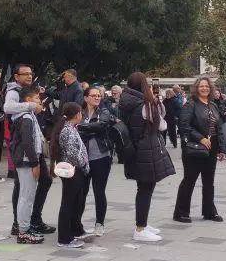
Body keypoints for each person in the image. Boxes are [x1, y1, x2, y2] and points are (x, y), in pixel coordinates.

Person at [118, 72, 175, 242]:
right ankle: (140, 229)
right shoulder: (144, 104)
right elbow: (162, 125)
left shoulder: (126, 101)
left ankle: (142, 223)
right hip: (146, 149)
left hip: (134, 149)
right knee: (146, 189)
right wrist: (155, 103)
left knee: (143, 188)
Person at [5, 65, 55, 236]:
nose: (29, 76)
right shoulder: (13, 91)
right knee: (23, 189)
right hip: (25, 149)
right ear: (16, 76)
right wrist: (31, 106)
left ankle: (31, 220)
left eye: (30, 73)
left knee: (43, 181)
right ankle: (21, 225)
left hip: (34, 147)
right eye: (25, 74)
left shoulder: (29, 90)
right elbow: (8, 108)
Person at [173, 76, 225, 224]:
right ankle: (181, 212)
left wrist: (222, 148)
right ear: (196, 88)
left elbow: (219, 128)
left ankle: (209, 211)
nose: (204, 88)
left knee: (209, 181)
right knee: (189, 179)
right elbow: (184, 126)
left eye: (207, 86)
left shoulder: (213, 105)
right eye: (201, 86)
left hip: (211, 147)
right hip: (194, 147)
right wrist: (200, 138)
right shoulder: (190, 104)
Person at [50, 102, 90, 248]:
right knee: (68, 203)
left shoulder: (70, 127)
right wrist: (84, 162)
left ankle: (72, 231)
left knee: (74, 201)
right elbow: (73, 154)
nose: (82, 115)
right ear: (77, 114)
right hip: (72, 170)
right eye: (81, 112)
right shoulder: (67, 130)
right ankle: (64, 238)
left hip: (74, 169)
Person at [10, 87, 46, 244]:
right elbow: (27, 142)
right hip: (26, 161)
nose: (40, 101)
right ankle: (23, 231)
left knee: (26, 196)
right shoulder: (26, 117)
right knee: (26, 196)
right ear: (28, 101)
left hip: (26, 160)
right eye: (37, 98)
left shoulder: (29, 116)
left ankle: (24, 227)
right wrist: (34, 163)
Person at [78, 86, 116, 236]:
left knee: (99, 191)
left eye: (98, 96)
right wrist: (87, 128)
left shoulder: (104, 112)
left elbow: (101, 126)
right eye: (93, 96)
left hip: (101, 157)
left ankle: (99, 223)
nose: (97, 98)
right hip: (83, 158)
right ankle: (77, 223)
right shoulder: (80, 112)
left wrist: (82, 127)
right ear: (86, 98)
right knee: (81, 191)